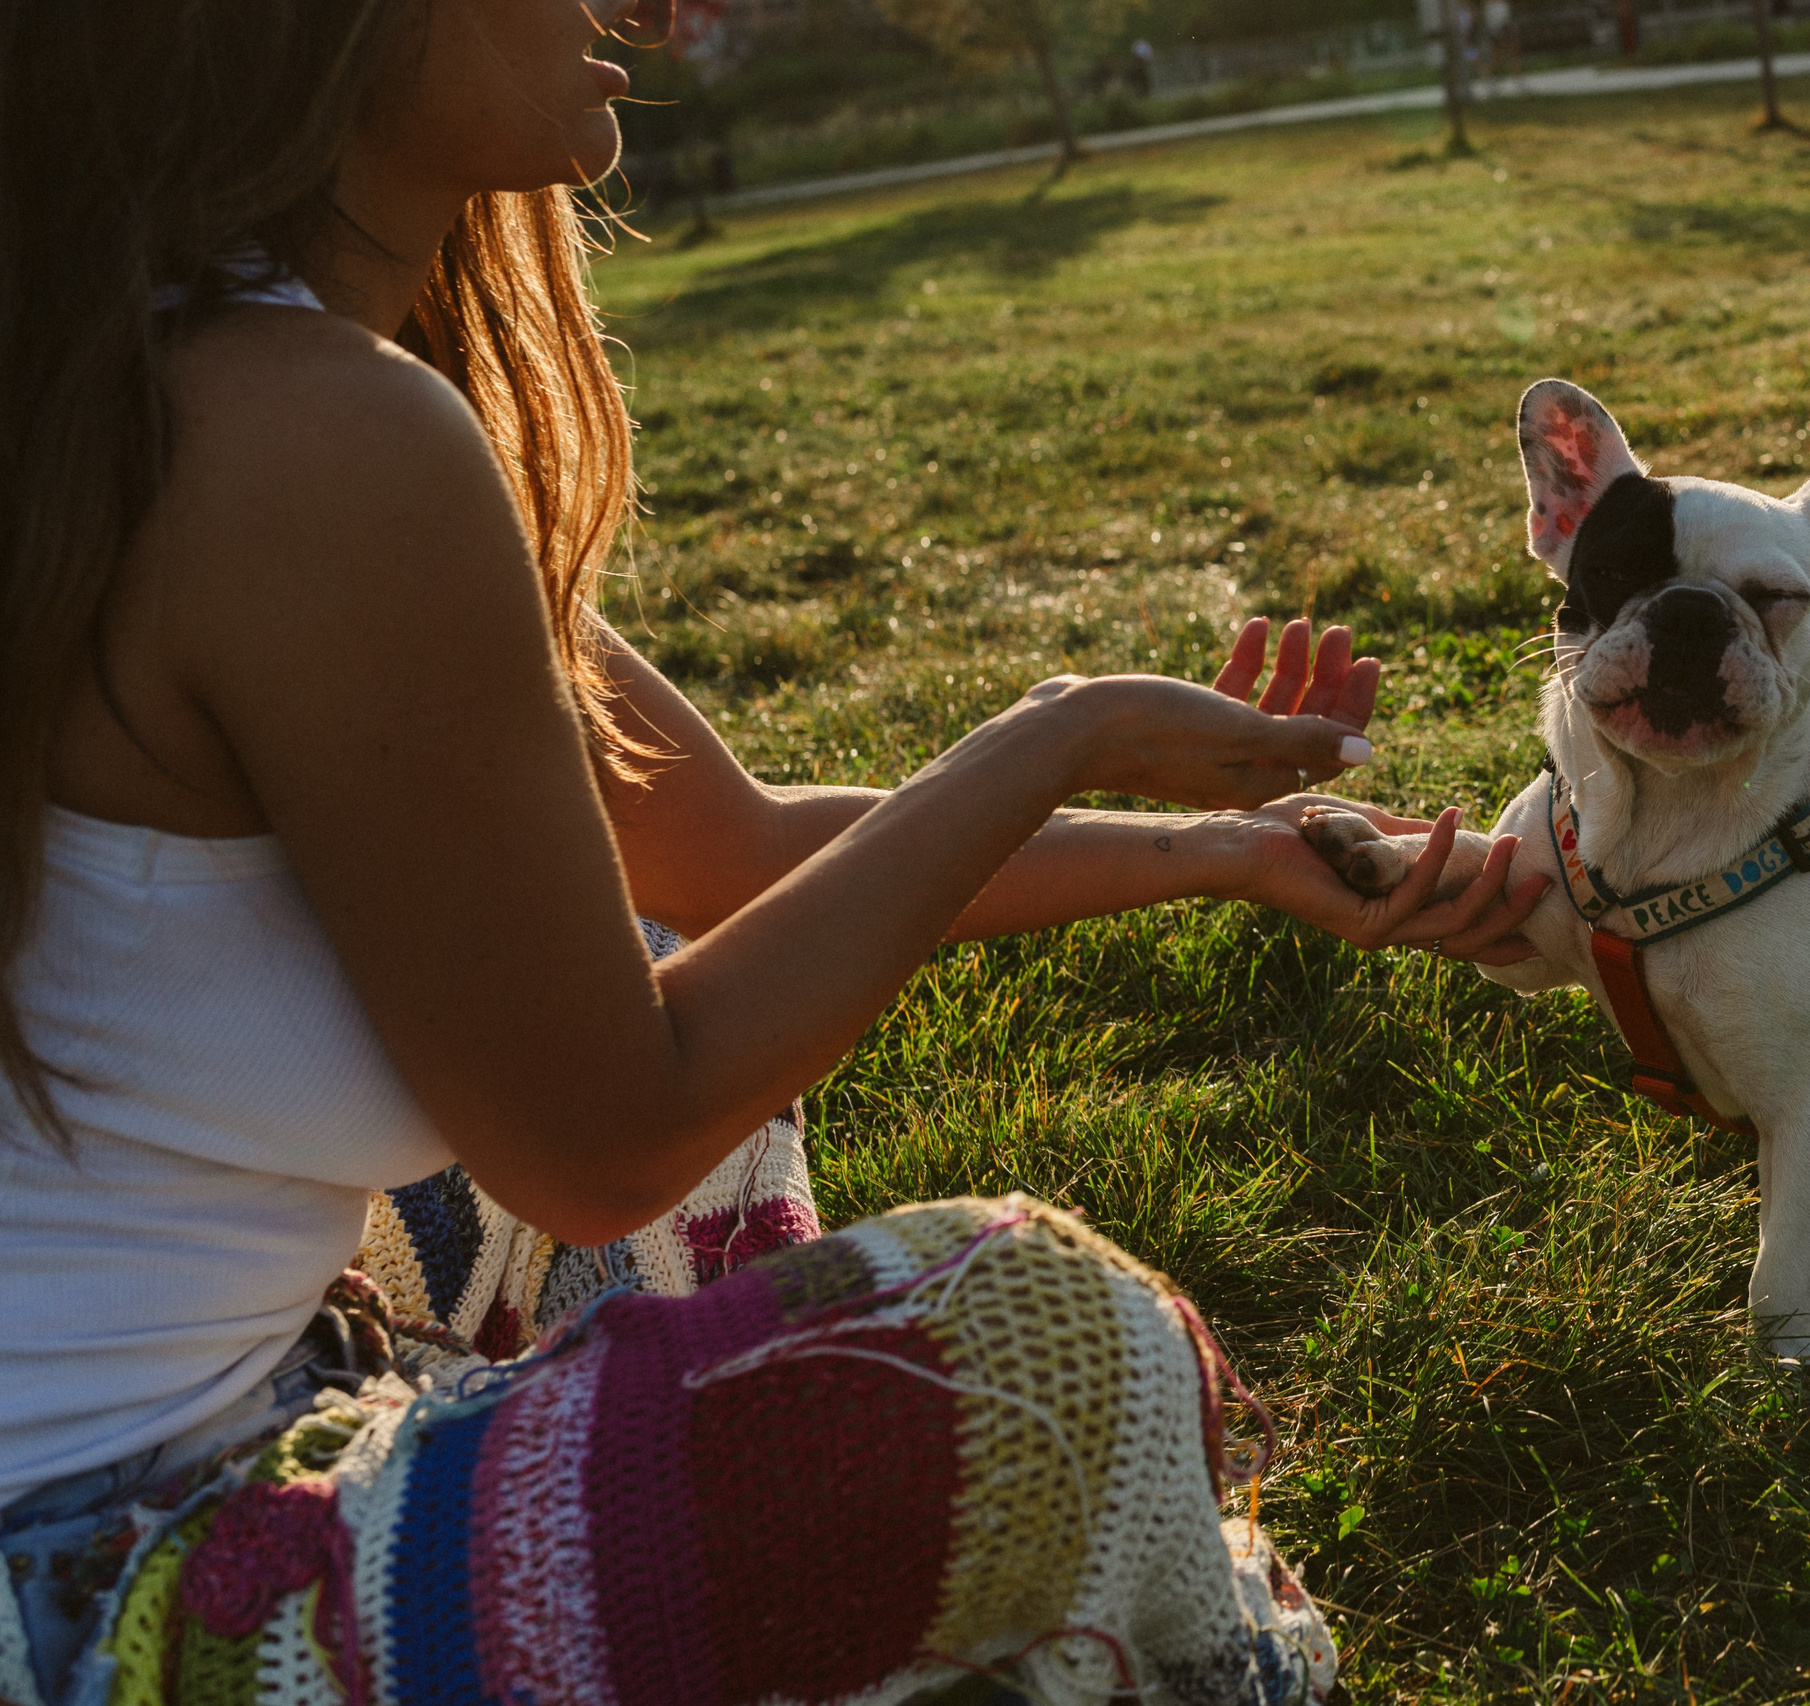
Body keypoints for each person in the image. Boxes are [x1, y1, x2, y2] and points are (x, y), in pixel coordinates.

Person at [0, 1, 1550, 1702]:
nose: (644, 9)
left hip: (222, 1410)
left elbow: (733, 855)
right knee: (1051, 1340)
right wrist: (1057, 723)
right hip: (94, 1594)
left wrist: (1224, 845)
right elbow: (615, 1136)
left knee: (676, 986)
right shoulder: (309, 441)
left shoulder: (154, 381)